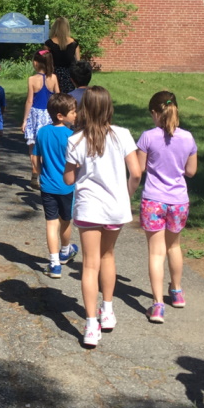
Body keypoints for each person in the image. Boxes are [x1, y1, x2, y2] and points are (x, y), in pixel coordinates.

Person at [64, 87, 141, 348]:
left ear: (84, 109)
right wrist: (126, 195)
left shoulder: (75, 140)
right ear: (109, 107)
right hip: (115, 207)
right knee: (108, 256)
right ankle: (107, 310)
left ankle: (90, 324)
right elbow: (136, 172)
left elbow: (69, 178)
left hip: (88, 208)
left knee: (89, 264)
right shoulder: (123, 135)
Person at [136, 91, 198, 324]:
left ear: (154, 113)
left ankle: (158, 304)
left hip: (154, 199)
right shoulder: (188, 138)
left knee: (155, 252)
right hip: (179, 201)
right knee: (174, 247)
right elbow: (191, 171)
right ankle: (177, 292)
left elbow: (140, 168)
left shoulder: (147, 137)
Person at [33, 93, 78, 278]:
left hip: (47, 185)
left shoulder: (42, 132)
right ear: (61, 115)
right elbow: (77, 163)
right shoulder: (71, 136)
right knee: (65, 221)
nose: (76, 115)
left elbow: (35, 157)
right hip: (67, 186)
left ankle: (54, 263)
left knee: (51, 223)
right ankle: (65, 250)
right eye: (73, 112)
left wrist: (38, 172)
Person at [22, 49, 60, 163]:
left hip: (35, 114)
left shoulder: (32, 79)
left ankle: (35, 173)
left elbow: (29, 101)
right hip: (49, 114)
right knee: (46, 146)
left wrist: (25, 120)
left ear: (36, 63)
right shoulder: (53, 78)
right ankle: (44, 171)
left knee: (32, 147)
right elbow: (58, 96)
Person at [45, 16, 80, 93]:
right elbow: (78, 62)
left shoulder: (49, 43)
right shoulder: (74, 43)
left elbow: (45, 60)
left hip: (54, 75)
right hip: (70, 76)